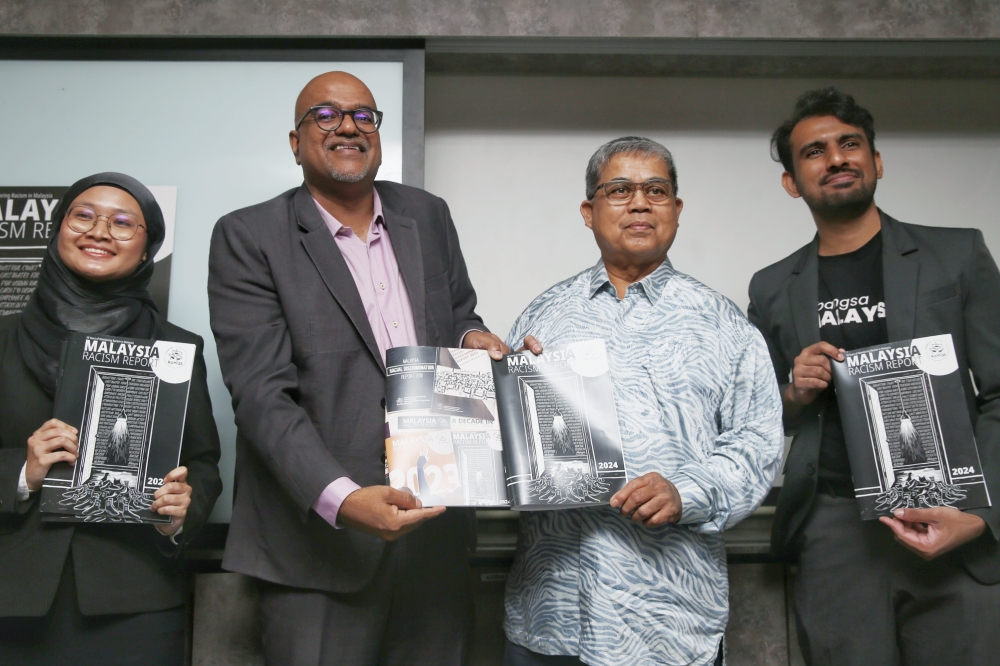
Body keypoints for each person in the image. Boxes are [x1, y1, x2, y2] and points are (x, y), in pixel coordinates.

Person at [208, 71, 510, 666]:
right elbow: (262, 395)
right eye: (324, 115)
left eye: (363, 115)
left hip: (436, 537)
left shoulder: (426, 214)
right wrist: (343, 500)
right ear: (295, 143)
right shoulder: (249, 236)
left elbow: (455, 316)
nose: (347, 125)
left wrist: (474, 336)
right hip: (317, 548)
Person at [502, 137, 784, 666]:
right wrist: (508, 387)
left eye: (656, 190)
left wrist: (687, 491)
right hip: (551, 613)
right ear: (589, 212)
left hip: (668, 620)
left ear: (676, 210)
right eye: (619, 190)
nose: (639, 203)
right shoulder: (541, 317)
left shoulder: (724, 324)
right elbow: (504, 446)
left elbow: (756, 444)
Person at [748, 87, 1000, 665]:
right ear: (792, 181)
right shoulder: (772, 287)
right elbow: (757, 413)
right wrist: (795, 389)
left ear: (876, 161)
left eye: (849, 144)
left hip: (953, 514)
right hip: (834, 526)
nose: (835, 158)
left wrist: (979, 516)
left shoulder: (957, 255)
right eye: (813, 152)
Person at [0, 173, 223, 665]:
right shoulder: (3, 339)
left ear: (147, 251)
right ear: (58, 230)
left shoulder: (177, 348)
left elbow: (204, 463)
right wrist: (23, 471)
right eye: (83, 215)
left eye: (123, 223)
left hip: (134, 601)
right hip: (11, 596)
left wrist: (181, 511)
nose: (99, 231)